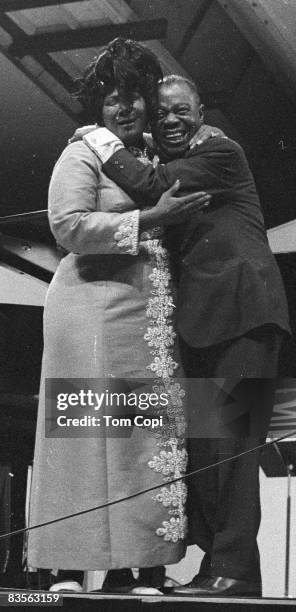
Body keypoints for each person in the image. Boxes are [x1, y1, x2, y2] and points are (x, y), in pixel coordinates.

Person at [78, 74, 291, 597]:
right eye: (162, 114)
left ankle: (236, 571)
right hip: (209, 324)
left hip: (245, 316)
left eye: (182, 111)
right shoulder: (187, 151)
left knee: (234, 449)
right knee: (211, 451)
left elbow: (153, 187)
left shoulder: (220, 151)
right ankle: (225, 570)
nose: (171, 120)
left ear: (201, 111)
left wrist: (100, 140)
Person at [27, 42, 211, 595]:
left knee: (143, 437)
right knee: (83, 433)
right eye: (112, 100)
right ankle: (63, 566)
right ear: (97, 107)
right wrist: (150, 219)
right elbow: (68, 226)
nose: (124, 109)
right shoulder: (81, 154)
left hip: (146, 316)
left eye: (133, 97)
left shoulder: (156, 154)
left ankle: (141, 566)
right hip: (90, 307)